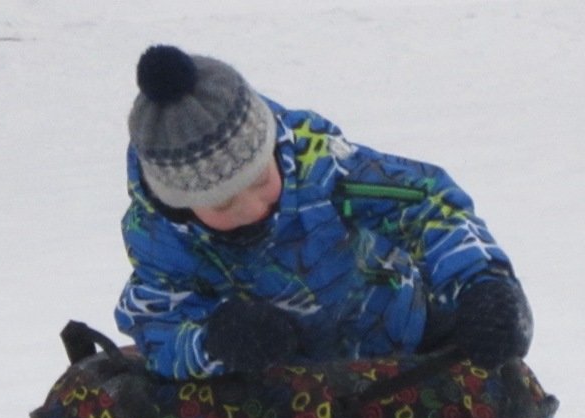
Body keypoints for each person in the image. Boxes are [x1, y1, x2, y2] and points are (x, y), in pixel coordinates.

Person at [115, 45, 532, 381]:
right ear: (179, 204)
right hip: (281, 383)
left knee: (482, 337)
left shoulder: (326, 169)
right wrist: (215, 343)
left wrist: (483, 283)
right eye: (223, 203)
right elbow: (156, 326)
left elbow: (427, 206)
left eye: (261, 181)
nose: (253, 208)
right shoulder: (161, 240)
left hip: (405, 338)